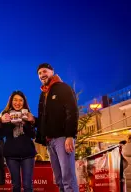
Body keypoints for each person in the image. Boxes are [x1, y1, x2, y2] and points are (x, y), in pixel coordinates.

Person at [34, 63, 79, 192]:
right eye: (39, 73)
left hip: (62, 138)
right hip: (50, 142)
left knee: (67, 177)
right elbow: (45, 120)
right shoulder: (43, 94)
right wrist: (34, 121)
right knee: (59, 179)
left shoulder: (63, 88)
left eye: (44, 71)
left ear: (52, 71)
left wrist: (70, 135)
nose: (42, 75)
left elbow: (72, 111)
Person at [0, 90, 37, 192]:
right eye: (15, 100)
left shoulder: (28, 115)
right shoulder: (5, 114)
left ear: (24, 102)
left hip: (28, 155)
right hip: (11, 155)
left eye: (21, 100)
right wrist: (10, 121)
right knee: (15, 185)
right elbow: (3, 134)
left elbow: (33, 135)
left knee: (27, 185)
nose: (18, 103)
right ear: (11, 101)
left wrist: (27, 123)